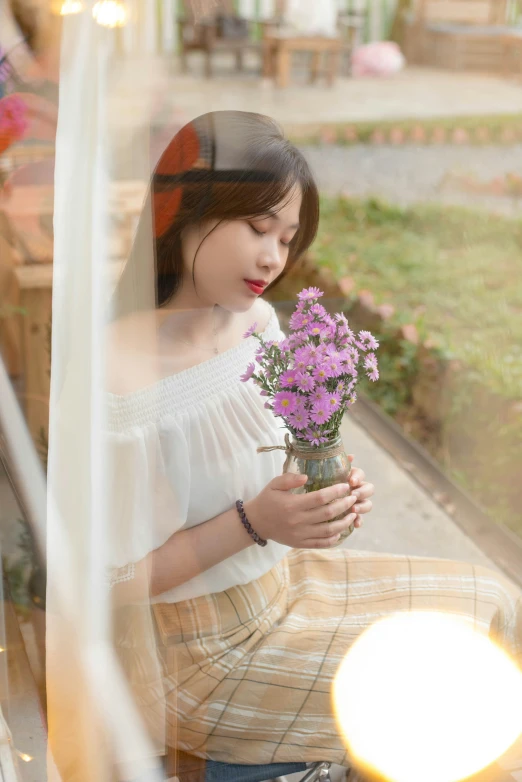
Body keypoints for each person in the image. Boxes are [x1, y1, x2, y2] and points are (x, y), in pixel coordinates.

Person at [106, 111, 522, 770]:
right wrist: (253, 522)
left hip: (289, 583)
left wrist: (333, 488)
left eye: (289, 236)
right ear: (184, 210)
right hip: (197, 657)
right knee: (464, 693)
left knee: (499, 604)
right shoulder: (117, 375)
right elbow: (107, 583)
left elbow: (283, 453)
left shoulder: (256, 323)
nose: (274, 257)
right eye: (257, 227)